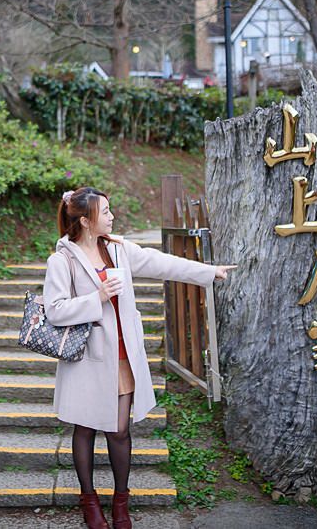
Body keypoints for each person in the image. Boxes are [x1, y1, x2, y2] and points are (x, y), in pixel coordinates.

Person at [43, 186, 234, 529]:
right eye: (106, 212)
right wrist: (98, 297)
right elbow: (55, 311)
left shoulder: (119, 251)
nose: (113, 216)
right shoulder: (62, 260)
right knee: (84, 429)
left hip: (121, 357)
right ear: (86, 221)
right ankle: (89, 502)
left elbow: (161, 262)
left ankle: (120, 502)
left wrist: (208, 271)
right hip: (85, 359)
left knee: (119, 431)